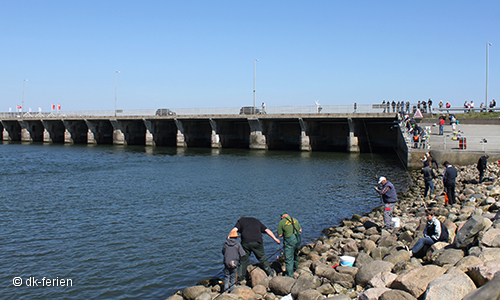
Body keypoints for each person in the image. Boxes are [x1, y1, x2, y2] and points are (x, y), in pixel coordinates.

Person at [277, 212, 302, 278]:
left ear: (282, 217)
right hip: (298, 240)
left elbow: (279, 235)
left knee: (289, 259)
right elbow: (300, 230)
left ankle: (289, 275)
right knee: (296, 254)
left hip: (289, 241)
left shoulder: (282, 222)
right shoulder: (295, 220)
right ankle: (296, 269)